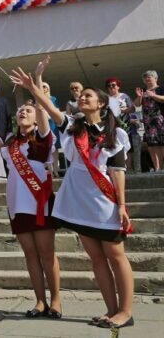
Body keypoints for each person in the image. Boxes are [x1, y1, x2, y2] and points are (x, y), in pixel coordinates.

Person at [16, 58, 134, 329]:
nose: (82, 97)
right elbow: (47, 107)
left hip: (104, 201)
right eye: (81, 95)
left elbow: (117, 171)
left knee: (116, 255)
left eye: (88, 95)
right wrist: (35, 83)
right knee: (96, 258)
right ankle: (110, 310)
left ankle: (125, 312)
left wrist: (122, 205)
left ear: (101, 103)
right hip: (79, 200)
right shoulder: (73, 127)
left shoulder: (115, 133)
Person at [0, 85, 62, 319]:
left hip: (40, 202)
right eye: (20, 110)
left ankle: (56, 300)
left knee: (47, 254)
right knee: (30, 256)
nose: (23, 112)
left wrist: (37, 92)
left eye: (28, 110)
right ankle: (39, 301)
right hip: (17, 205)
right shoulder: (10, 142)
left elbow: (44, 116)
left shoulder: (44, 138)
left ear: (36, 117)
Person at [136, 70, 164, 172]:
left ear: (155, 78)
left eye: (150, 77)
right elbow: (137, 105)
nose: (147, 79)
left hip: (159, 120)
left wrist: (153, 95)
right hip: (148, 122)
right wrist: (139, 96)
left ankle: (162, 167)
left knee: (161, 143)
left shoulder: (160, 88)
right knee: (151, 145)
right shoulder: (143, 91)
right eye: (146, 78)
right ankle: (157, 168)